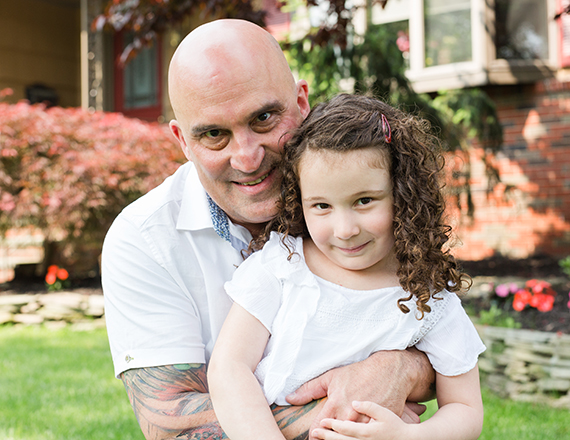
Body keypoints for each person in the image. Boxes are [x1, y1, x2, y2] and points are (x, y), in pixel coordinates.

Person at [101, 20, 434, 440]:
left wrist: (400, 367)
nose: (247, 157)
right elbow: (171, 424)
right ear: (182, 141)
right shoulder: (144, 239)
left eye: (263, 118)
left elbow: (441, 328)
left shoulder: (358, 204)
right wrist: (347, 412)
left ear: (301, 102)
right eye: (214, 135)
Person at [208, 94, 485, 440]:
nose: (345, 229)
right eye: (322, 205)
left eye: (364, 201)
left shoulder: (427, 297)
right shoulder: (283, 266)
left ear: (403, 193)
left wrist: (404, 436)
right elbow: (229, 368)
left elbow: (466, 410)